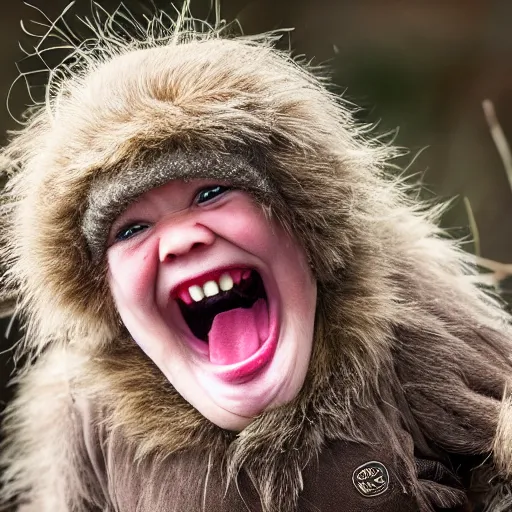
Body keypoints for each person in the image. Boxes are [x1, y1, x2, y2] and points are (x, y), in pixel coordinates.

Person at [1, 5, 511, 511]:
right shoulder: (86, 414)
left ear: (301, 220)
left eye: (211, 193)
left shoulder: (410, 320)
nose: (179, 242)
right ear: (102, 291)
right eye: (131, 228)